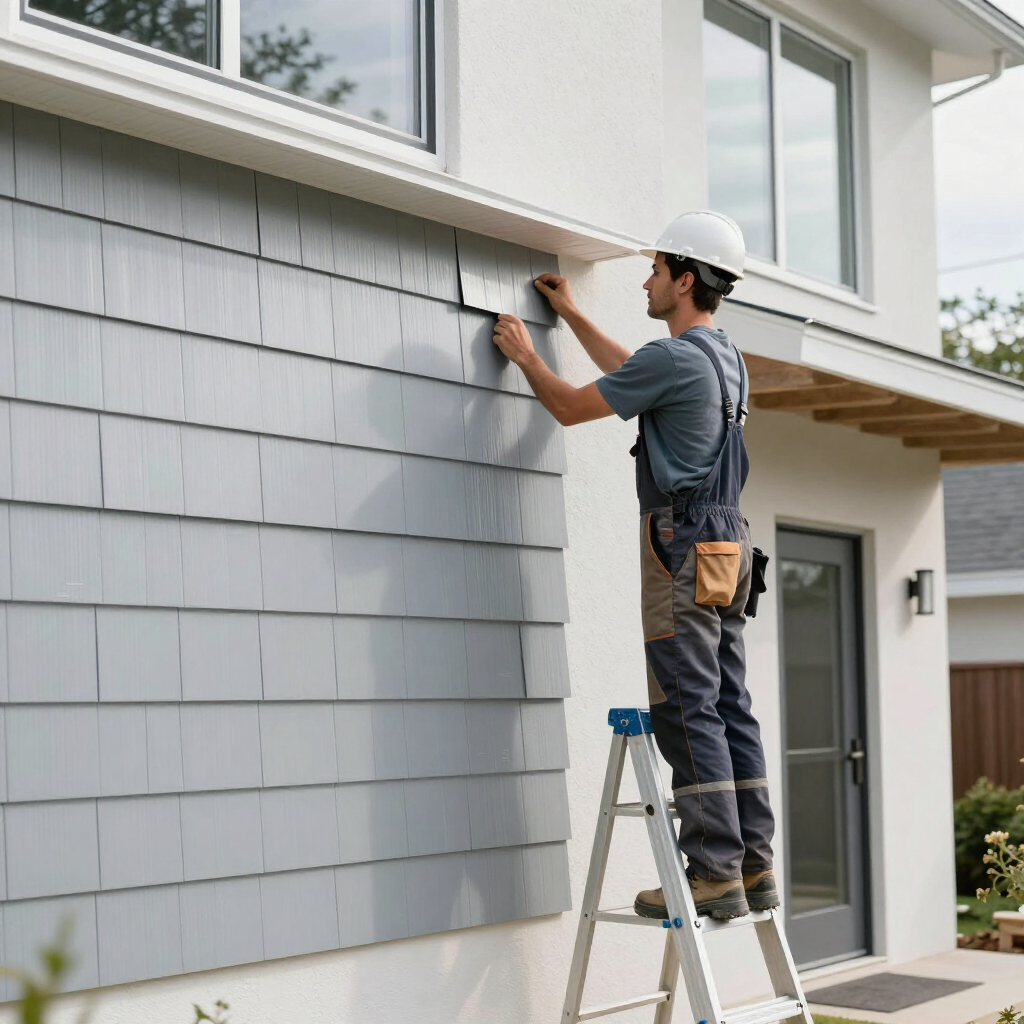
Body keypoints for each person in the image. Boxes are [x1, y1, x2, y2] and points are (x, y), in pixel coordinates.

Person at [491, 211, 776, 921]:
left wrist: (528, 356)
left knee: (685, 703)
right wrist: (574, 315)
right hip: (730, 546)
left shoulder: (674, 358)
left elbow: (568, 408)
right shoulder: (721, 358)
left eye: (654, 270)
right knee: (729, 702)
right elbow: (635, 374)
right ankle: (751, 863)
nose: (646, 281)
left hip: (681, 542)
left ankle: (711, 872)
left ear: (684, 279)